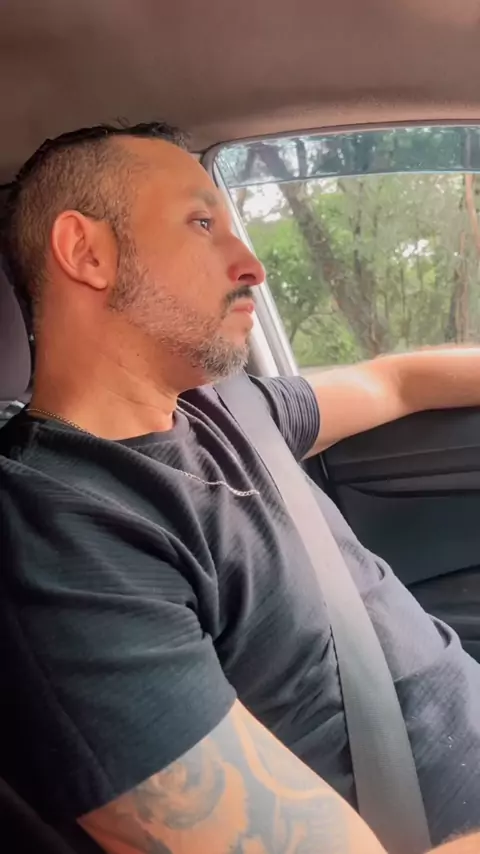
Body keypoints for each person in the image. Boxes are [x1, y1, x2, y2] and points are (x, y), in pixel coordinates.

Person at [0, 122, 480, 854]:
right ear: (86, 253)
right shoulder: (56, 534)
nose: (252, 266)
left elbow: (397, 382)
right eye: (202, 224)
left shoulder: (231, 408)